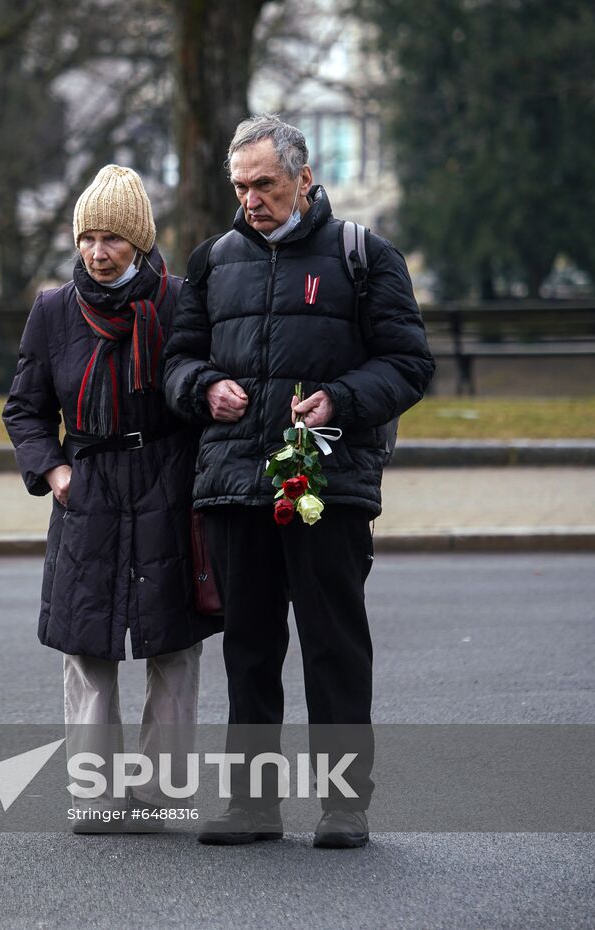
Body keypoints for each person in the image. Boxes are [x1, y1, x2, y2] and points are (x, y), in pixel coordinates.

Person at [163, 114, 434, 849]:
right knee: (248, 648)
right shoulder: (213, 261)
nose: (251, 199)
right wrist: (205, 388)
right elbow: (177, 364)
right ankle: (252, 807)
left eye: (266, 185)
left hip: (325, 484)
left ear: (304, 178)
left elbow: (410, 364)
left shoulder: (363, 256)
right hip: (233, 484)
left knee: (333, 646)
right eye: (241, 186)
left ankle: (345, 806)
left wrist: (341, 399)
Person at [3, 165, 222, 833]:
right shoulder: (52, 311)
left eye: (113, 239)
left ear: (140, 241)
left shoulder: (184, 302)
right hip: (89, 486)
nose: (98, 253)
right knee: (88, 647)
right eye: (88, 238)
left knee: (173, 646)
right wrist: (54, 472)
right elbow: (25, 409)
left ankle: (159, 796)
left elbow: (204, 387)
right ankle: (96, 797)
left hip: (168, 482)